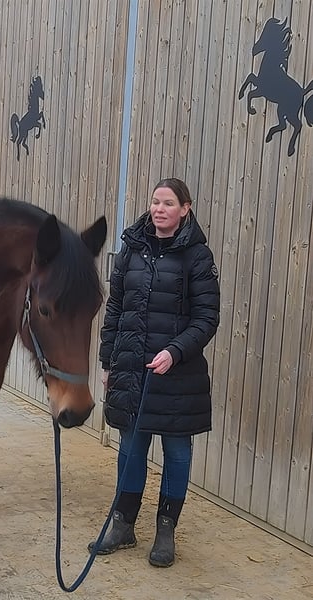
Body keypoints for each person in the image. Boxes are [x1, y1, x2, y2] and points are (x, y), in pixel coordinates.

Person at [89, 177, 220, 567]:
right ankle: (123, 524)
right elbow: (115, 310)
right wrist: (108, 362)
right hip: (132, 369)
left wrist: (174, 352)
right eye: (155, 202)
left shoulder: (197, 256)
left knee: (176, 452)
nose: (159, 209)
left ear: (185, 209)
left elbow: (207, 318)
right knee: (131, 449)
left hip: (177, 375)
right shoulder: (132, 248)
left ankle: (166, 530)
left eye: (168, 203)